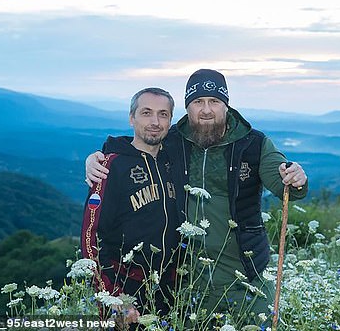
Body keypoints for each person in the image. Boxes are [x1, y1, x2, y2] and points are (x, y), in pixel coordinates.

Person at [86, 69, 308, 323]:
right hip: (188, 279)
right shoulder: (173, 140)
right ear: (187, 108)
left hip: (247, 275)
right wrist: (98, 157)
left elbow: (284, 183)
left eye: (214, 101)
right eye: (197, 102)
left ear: (226, 106)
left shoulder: (254, 144)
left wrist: (296, 178)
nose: (206, 110)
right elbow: (136, 145)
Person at [81, 87, 181, 320]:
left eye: (163, 114)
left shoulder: (175, 160)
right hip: (126, 289)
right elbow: (90, 236)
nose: (155, 121)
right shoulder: (110, 167)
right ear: (131, 117)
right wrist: (111, 297)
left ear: (170, 121)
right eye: (146, 113)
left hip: (171, 291)